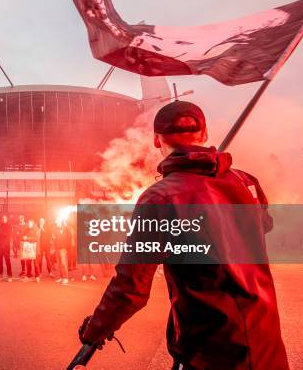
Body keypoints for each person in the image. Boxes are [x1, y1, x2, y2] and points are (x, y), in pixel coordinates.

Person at [78, 101, 288, 369]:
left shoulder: (161, 197)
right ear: (205, 134)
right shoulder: (247, 182)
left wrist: (94, 330)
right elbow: (264, 225)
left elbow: (131, 287)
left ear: (156, 140)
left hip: (212, 350)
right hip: (265, 341)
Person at [55, 219, 72, 285]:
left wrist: (66, 226)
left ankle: (66, 278)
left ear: (60, 221)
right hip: (57, 248)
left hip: (63, 249)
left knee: (63, 263)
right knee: (59, 264)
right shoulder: (56, 229)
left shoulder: (65, 228)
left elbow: (70, 235)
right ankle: (62, 277)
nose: (55, 222)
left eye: (56, 221)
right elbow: (55, 238)